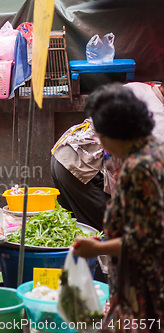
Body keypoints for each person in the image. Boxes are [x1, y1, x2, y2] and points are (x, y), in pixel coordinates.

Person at [73, 83, 164, 331]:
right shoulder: (151, 153)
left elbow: (145, 242)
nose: (99, 141)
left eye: (100, 134)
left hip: (145, 289)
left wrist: (97, 248)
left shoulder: (139, 170)